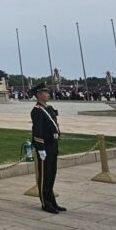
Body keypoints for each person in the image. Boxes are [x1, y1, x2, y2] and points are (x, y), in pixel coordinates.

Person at [30, 82, 65, 214]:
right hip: (44, 147)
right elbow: (37, 131)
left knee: (51, 175)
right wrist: (40, 148)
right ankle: (45, 203)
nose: (48, 94)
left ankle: (52, 201)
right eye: (45, 92)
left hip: (52, 145)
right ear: (39, 95)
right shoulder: (37, 111)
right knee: (44, 177)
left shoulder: (48, 109)